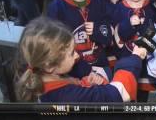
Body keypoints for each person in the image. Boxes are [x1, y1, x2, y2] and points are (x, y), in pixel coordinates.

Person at [14, 17, 147, 102]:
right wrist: (133, 59)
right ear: (49, 66)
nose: (77, 55)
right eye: (72, 53)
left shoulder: (47, 80)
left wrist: (85, 83)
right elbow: (116, 94)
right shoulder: (68, 97)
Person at [47, 0, 114, 68]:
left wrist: (97, 30)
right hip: (74, 69)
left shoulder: (98, 0)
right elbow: (55, 46)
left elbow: (109, 35)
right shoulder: (56, 8)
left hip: (100, 64)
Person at [112, 0, 156, 102]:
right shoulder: (119, 7)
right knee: (125, 94)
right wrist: (128, 24)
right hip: (125, 60)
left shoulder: (152, 7)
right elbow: (117, 36)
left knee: (142, 96)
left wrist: (145, 26)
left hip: (147, 61)